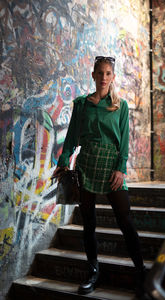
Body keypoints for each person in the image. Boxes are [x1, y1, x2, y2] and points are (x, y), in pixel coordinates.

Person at [52, 56, 146, 297]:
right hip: (87, 165)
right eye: (100, 73)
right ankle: (93, 271)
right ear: (93, 75)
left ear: (113, 77)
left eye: (108, 73)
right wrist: (63, 163)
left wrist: (120, 168)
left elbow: (124, 140)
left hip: (111, 166)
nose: (104, 77)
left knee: (125, 220)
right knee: (89, 224)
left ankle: (141, 273)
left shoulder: (121, 105)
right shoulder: (82, 104)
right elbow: (72, 137)